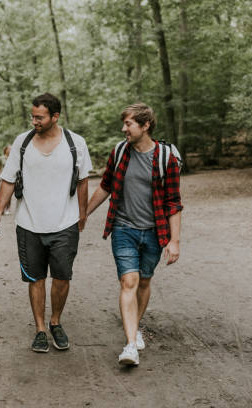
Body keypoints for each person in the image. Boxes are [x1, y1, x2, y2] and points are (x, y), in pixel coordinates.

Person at [0, 93, 92, 353]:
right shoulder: (22, 143)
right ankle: (40, 329)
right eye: (32, 116)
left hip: (65, 224)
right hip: (28, 224)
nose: (34, 121)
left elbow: (83, 181)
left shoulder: (75, 143)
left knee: (61, 278)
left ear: (55, 117)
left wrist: (83, 214)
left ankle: (55, 321)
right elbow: (8, 180)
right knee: (35, 279)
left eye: (39, 117)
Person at [86, 103, 183, 366]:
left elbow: (173, 202)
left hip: (154, 231)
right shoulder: (120, 152)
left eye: (128, 124)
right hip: (123, 228)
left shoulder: (166, 158)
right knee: (128, 281)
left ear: (145, 125)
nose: (123, 129)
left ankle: (135, 326)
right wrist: (83, 214)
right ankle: (130, 346)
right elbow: (105, 186)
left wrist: (174, 241)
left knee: (144, 282)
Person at [0, 145, 12, 215]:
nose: (10, 150)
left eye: (11, 149)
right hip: (3, 178)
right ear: (5, 150)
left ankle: (8, 208)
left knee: (9, 194)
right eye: (9, 149)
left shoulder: (13, 158)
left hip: (11, 177)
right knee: (2, 194)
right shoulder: (1, 158)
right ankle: (1, 209)